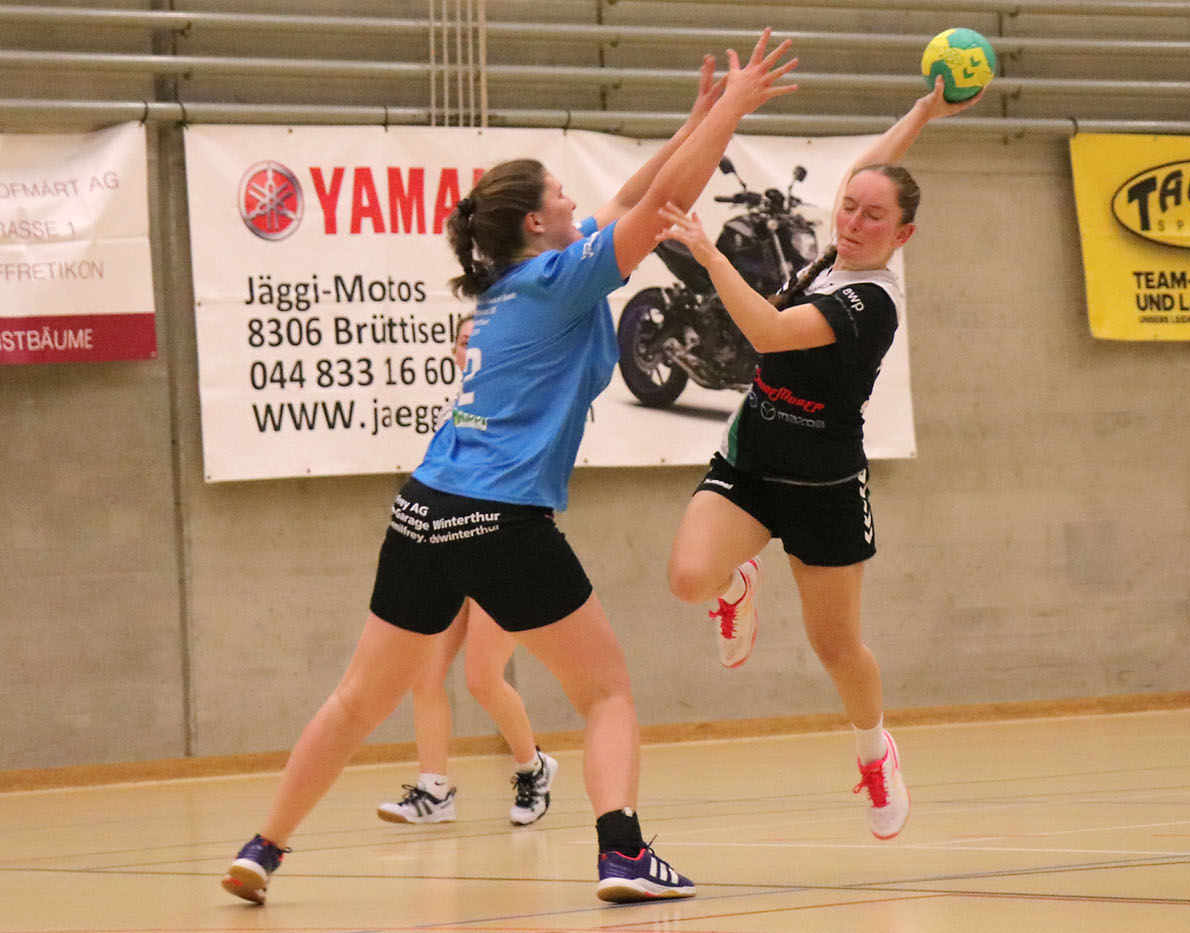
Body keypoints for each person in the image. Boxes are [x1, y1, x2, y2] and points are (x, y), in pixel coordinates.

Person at [221, 31, 797, 906]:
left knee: (356, 700)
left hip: (422, 510)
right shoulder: (563, 281)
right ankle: (623, 854)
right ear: (535, 221)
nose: (576, 201)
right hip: (500, 517)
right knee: (606, 692)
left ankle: (263, 846)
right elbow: (667, 203)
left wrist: (693, 123)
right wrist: (734, 110)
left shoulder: (514, 286)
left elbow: (636, 195)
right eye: (561, 193)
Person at [661, 79, 982, 841]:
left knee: (835, 647)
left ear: (902, 234)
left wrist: (708, 252)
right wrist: (923, 110)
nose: (854, 221)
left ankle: (875, 751)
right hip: (752, 462)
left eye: (874, 217)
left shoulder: (872, 300)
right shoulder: (836, 248)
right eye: (849, 208)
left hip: (824, 486)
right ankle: (737, 582)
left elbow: (769, 332)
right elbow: (869, 173)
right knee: (688, 577)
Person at [375, 317, 559, 828]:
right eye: (463, 341)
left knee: (481, 676)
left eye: (480, 339)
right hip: (447, 546)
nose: (472, 348)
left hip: (503, 547)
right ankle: (434, 790)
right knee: (425, 673)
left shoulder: (518, 400)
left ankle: (533, 767)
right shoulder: (451, 407)